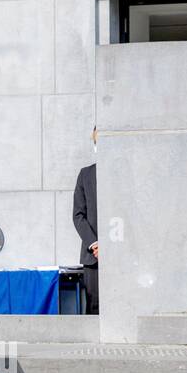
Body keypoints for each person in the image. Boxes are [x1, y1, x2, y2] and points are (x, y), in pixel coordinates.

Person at [73, 126, 100, 315]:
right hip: (94, 258)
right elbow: (78, 215)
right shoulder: (86, 175)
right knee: (94, 306)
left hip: (124, 257)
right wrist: (95, 244)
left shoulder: (124, 173)